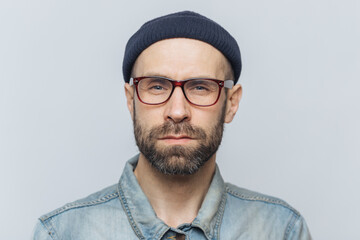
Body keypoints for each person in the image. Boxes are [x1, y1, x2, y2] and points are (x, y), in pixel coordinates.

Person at [32, 11, 312, 240]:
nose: (177, 111)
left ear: (232, 103)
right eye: (156, 86)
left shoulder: (281, 230)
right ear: (131, 101)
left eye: (200, 87)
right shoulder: (62, 234)